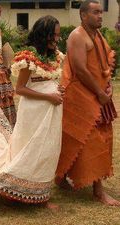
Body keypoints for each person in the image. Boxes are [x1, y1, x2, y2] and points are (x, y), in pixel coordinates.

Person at [0, 15, 64, 208]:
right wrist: (49, 96)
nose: (57, 39)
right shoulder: (28, 57)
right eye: (53, 35)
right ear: (44, 34)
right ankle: (14, 189)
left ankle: (40, 195)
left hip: (51, 110)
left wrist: (57, 90)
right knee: (31, 149)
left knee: (48, 149)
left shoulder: (54, 55)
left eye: (58, 35)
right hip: (34, 112)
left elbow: (48, 80)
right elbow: (20, 89)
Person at [55, 0, 120, 206]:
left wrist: (107, 86)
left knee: (101, 138)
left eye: (101, 12)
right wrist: (100, 92)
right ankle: (95, 190)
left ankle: (79, 181)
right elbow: (80, 69)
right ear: (83, 15)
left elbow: (103, 65)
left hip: (98, 94)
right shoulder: (77, 36)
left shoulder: (98, 35)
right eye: (95, 12)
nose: (100, 16)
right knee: (84, 139)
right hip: (82, 96)